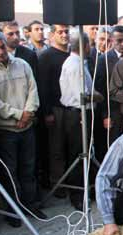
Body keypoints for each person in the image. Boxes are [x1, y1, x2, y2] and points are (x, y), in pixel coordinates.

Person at [0, 31, 46, 226]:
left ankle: (31, 206)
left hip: (26, 127)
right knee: (9, 172)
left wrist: (28, 113)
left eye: (2, 47)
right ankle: (14, 212)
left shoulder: (22, 64)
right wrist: (18, 115)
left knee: (28, 169)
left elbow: (33, 90)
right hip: (5, 130)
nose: (1, 51)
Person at [57, 33, 95, 210]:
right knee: (78, 155)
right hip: (77, 114)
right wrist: (99, 96)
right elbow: (83, 95)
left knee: (85, 152)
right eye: (90, 44)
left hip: (81, 113)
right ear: (84, 45)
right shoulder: (74, 65)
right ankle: (77, 195)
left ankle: (88, 189)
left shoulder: (79, 62)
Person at [37, 24, 70, 196]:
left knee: (72, 148)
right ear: (52, 34)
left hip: (72, 108)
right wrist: (47, 112)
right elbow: (43, 86)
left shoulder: (73, 53)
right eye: (60, 32)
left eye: (66, 31)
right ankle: (58, 184)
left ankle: (72, 183)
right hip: (56, 109)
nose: (64, 35)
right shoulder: (46, 56)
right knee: (56, 150)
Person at [95, 25, 123, 160]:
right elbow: (101, 89)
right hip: (113, 111)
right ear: (112, 41)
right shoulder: (104, 60)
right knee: (114, 147)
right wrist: (105, 114)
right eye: (119, 41)